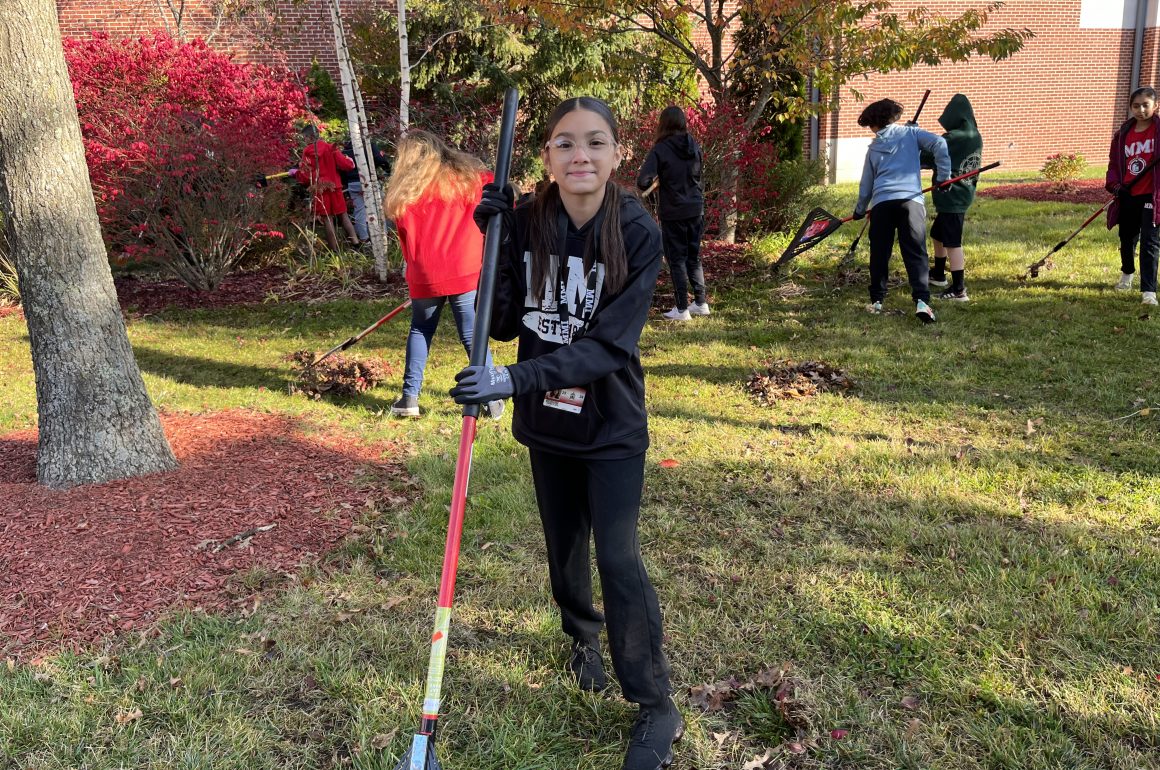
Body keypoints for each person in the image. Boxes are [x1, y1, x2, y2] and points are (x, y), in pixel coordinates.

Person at [452, 96, 682, 770]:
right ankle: (582, 636)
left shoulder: (638, 232)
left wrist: (511, 382)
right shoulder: (528, 221)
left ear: (616, 155)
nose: (580, 155)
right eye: (564, 144)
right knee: (563, 547)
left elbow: (610, 345)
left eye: (595, 143)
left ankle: (654, 703)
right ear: (546, 157)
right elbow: (499, 326)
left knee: (616, 555)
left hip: (611, 424)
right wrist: (489, 242)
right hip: (547, 423)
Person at [383, 130, 502, 419]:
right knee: (472, 333)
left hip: (425, 274)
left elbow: (404, 241)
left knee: (421, 330)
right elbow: (499, 198)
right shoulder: (472, 181)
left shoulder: (403, 195)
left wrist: (418, 275)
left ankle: (409, 399)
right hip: (464, 269)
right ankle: (492, 399)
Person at [853, 98, 951, 323]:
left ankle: (877, 301)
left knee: (880, 252)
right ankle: (922, 301)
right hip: (911, 202)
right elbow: (939, 144)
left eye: (871, 126)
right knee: (915, 251)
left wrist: (860, 209)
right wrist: (943, 177)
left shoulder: (874, 148)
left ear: (877, 123)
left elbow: (866, 183)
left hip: (882, 204)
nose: (872, 131)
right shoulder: (911, 134)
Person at [636, 105, 709, 321]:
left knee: (676, 259)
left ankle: (681, 308)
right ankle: (701, 302)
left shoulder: (661, 149)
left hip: (674, 211)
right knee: (693, 257)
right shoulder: (694, 145)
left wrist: (659, 181)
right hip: (696, 208)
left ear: (663, 123)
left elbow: (643, 182)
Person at [1105, 86, 1160, 306]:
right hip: (1128, 194)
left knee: (1150, 242)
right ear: (1130, 107)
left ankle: (1148, 291)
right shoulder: (1123, 134)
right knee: (1127, 239)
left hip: (1152, 195)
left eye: (1146, 105)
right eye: (1136, 106)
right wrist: (1115, 186)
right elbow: (1114, 164)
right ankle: (1127, 274)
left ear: (1155, 106)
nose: (1141, 110)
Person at [925, 94, 983, 302]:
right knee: (937, 234)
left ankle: (959, 289)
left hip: (952, 195)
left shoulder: (954, 138)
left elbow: (929, 155)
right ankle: (938, 275)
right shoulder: (975, 135)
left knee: (952, 242)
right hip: (962, 193)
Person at [295, 124, 360, 251]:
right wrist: (350, 161)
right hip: (335, 186)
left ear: (310, 137)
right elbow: (345, 165)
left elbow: (304, 175)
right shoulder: (331, 148)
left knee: (327, 219)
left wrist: (296, 174)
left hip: (320, 188)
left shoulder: (307, 151)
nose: (304, 141)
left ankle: (334, 250)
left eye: (305, 138)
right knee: (343, 215)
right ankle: (356, 243)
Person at [340, 136, 391, 245]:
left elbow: (342, 170)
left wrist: (346, 183)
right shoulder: (369, 145)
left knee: (359, 211)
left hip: (353, 183)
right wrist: (387, 169)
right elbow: (380, 160)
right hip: (369, 180)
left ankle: (364, 238)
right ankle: (383, 236)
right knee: (379, 209)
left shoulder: (345, 152)